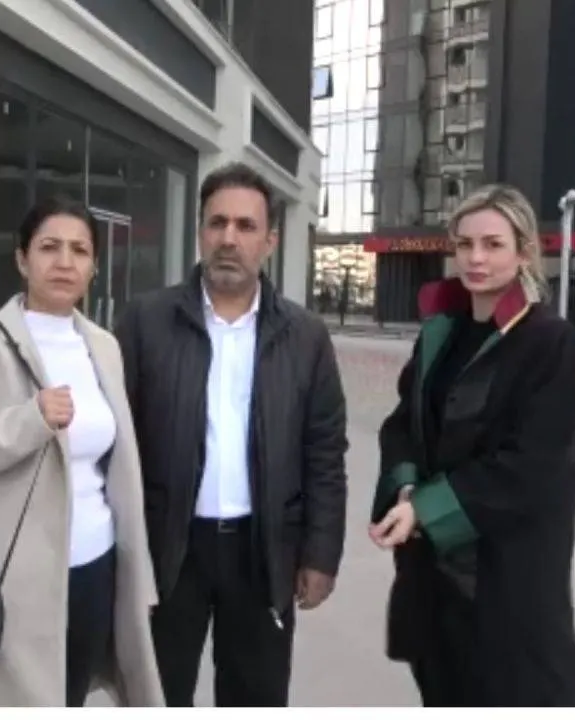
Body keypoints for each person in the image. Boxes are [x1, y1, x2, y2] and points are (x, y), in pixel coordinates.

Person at [0, 195, 165, 707]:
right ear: (23, 260)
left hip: (96, 566)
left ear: (94, 267)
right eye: (49, 247)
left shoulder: (103, 346)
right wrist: (29, 423)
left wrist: (138, 579)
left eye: (79, 250)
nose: (65, 262)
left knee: (71, 696)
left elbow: (118, 467)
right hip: (12, 582)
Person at [114, 162, 349, 707]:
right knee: (155, 697)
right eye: (217, 222)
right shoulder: (146, 322)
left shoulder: (305, 336)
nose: (229, 238)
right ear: (200, 232)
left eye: (246, 226)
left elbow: (324, 452)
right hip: (168, 549)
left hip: (263, 551)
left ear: (269, 241)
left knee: (256, 697)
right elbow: (117, 440)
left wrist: (320, 553)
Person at [369, 183, 575, 707]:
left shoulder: (549, 342)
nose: (475, 258)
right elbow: (403, 425)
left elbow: (532, 466)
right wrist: (405, 491)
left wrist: (427, 509)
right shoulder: (440, 333)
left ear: (524, 252)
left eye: (493, 244)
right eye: (465, 244)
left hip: (507, 579)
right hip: (434, 580)